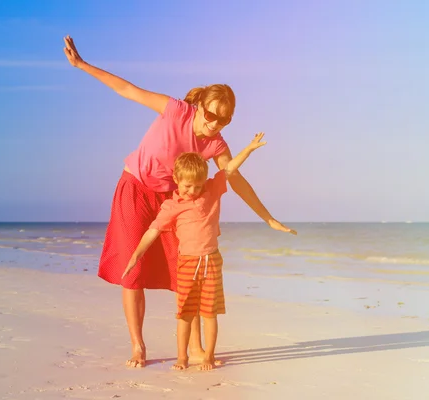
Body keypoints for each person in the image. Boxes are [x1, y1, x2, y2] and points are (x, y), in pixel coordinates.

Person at [63, 35, 297, 368]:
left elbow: (234, 177)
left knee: (185, 268)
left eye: (224, 120)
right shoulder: (177, 111)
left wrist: (268, 217)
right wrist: (82, 65)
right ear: (201, 106)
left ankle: (198, 347)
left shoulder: (216, 145)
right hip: (134, 187)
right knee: (134, 268)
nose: (215, 124)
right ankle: (137, 345)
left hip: (173, 199)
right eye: (212, 115)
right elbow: (128, 90)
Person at [122, 133, 266, 370]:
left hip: (211, 261)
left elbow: (228, 169)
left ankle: (208, 355)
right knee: (185, 314)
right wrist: (136, 255)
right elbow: (153, 231)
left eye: (197, 185)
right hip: (187, 263)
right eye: (188, 185)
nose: (193, 190)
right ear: (176, 179)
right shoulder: (171, 206)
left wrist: (248, 149)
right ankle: (182, 357)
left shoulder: (211, 190)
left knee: (210, 313)